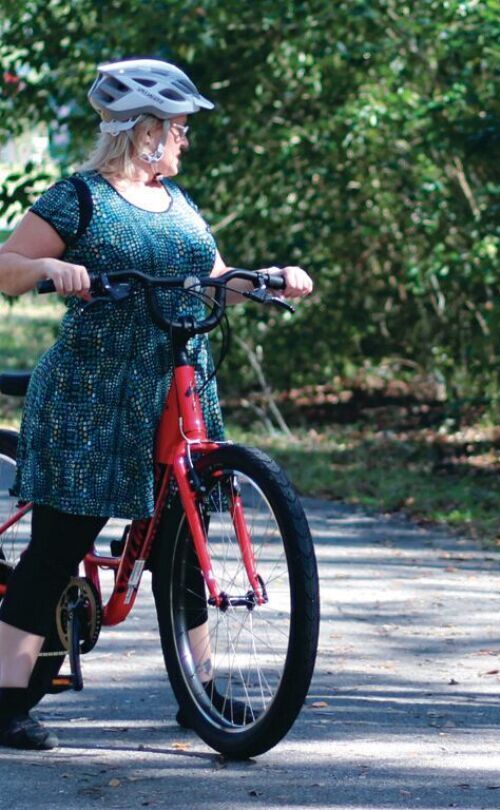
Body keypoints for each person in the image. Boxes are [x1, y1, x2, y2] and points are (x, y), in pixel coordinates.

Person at [0, 57, 313, 750]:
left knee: (183, 535)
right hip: (93, 390)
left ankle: (198, 691)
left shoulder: (181, 204)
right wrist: (51, 268)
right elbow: (6, 266)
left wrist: (266, 281)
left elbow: (211, 279)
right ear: (142, 132)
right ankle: (7, 701)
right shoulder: (77, 199)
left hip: (179, 386)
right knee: (62, 541)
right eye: (176, 128)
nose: (183, 141)